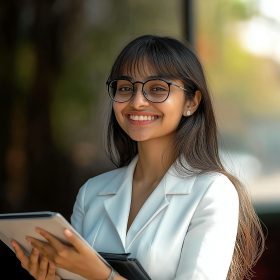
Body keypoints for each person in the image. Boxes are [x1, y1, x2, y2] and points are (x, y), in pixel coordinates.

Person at [12, 35, 265, 280]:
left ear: (191, 102)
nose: (137, 101)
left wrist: (102, 275)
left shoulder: (212, 192)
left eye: (157, 89)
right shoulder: (92, 193)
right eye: (125, 88)